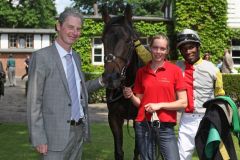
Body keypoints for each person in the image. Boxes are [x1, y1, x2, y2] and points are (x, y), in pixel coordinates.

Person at [27, 8, 104, 160]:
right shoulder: (42, 57)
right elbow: (33, 101)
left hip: (78, 132)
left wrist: (102, 81)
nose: (74, 32)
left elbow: (76, 90)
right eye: (70, 27)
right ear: (58, 26)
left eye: (78, 29)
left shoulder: (76, 57)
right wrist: (38, 138)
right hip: (54, 137)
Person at [123, 34, 188, 160]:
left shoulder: (175, 71)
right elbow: (139, 103)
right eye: (155, 47)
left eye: (162, 49)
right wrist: (130, 95)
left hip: (165, 126)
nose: (158, 51)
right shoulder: (141, 72)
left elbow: (183, 103)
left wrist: (159, 105)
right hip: (143, 125)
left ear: (167, 51)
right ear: (150, 48)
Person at [176, 29, 225, 160]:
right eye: (183, 48)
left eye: (191, 47)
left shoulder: (213, 69)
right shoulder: (176, 68)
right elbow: (152, 60)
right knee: (181, 156)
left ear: (198, 46)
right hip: (186, 119)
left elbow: (220, 95)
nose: (188, 51)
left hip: (207, 118)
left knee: (210, 156)